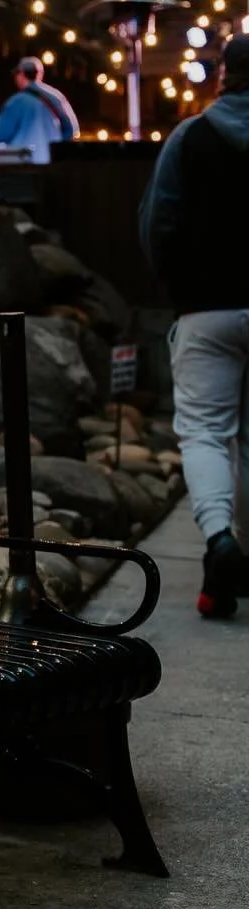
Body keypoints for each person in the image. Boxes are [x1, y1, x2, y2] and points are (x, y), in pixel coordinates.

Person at [139, 34, 249, 619]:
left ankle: (219, 540)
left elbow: (160, 221)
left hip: (206, 308)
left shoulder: (191, 136)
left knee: (206, 430)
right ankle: (239, 560)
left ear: (225, 74)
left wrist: (175, 288)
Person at [0, 57, 77, 163]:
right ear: (40, 74)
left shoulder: (17, 101)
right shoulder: (56, 96)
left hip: (23, 163)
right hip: (51, 163)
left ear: (21, 74)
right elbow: (71, 129)